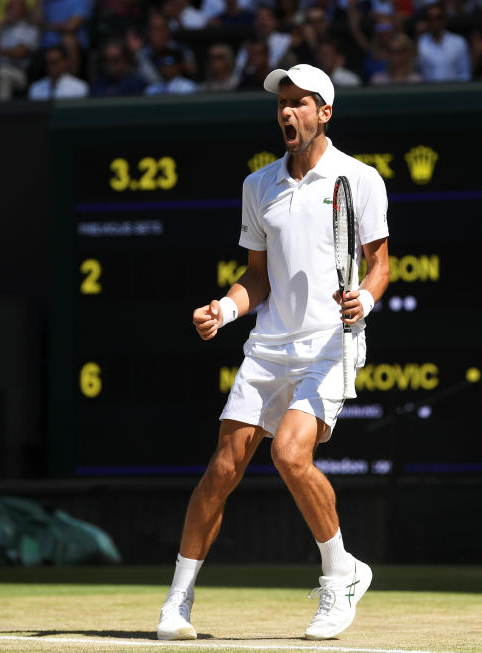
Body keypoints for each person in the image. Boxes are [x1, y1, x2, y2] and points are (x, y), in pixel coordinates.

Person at [157, 63, 390, 642]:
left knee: (289, 454)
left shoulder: (360, 179)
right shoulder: (257, 186)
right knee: (222, 469)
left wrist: (363, 296)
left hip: (331, 344)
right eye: (281, 103)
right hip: (269, 344)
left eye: (300, 102)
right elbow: (256, 278)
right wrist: (226, 310)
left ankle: (339, 576)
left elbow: (380, 264)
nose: (287, 112)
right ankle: (178, 602)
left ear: (325, 112)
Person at [0, 0, 40, 100]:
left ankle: (0, 111)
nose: (9, 11)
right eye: (8, 8)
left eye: (13, 8)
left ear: (23, 10)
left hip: (19, 72)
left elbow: (19, 53)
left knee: (2, 73)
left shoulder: (30, 29)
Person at [417, 3, 470, 82]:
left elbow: (464, 73)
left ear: (444, 20)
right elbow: (417, 72)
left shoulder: (459, 42)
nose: (435, 22)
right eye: (431, 18)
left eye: (439, 18)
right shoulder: (420, 43)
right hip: (427, 91)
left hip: (454, 91)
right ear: (427, 21)